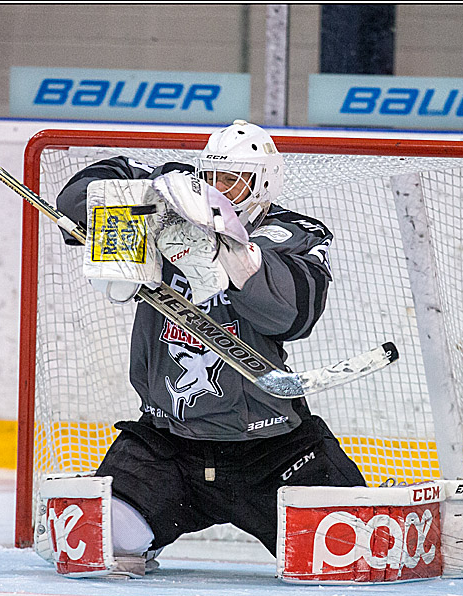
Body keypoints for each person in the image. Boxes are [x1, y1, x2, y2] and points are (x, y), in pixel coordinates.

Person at [54, 120, 366, 572]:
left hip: (274, 450)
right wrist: (149, 198)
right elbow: (75, 198)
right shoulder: (170, 197)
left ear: (262, 185)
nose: (220, 189)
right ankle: (143, 529)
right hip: (169, 447)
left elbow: (294, 313)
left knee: (354, 549)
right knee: (91, 542)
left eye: (233, 182)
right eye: (212, 178)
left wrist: (225, 251)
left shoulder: (294, 233)